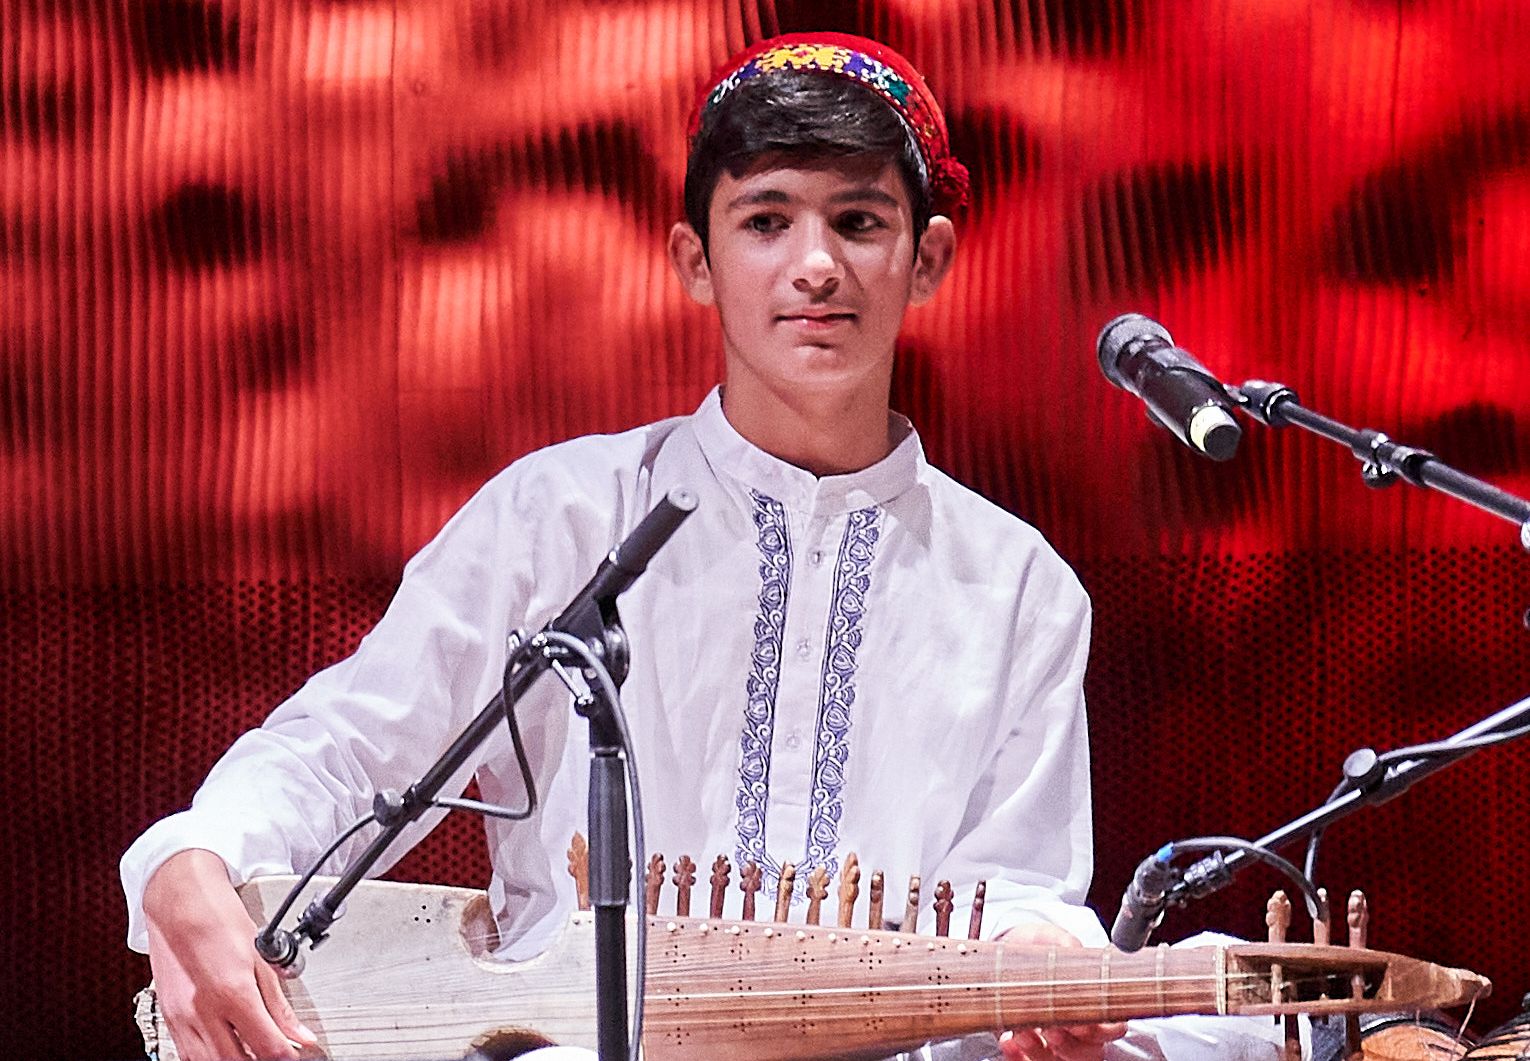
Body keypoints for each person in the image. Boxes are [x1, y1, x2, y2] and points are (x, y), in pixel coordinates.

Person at [123, 33, 1128, 1061]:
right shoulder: (560, 516)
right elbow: (348, 750)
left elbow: (1016, 888)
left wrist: (1043, 957)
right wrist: (190, 855)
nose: (816, 265)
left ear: (929, 259)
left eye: (859, 221)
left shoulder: (1017, 586)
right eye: (767, 220)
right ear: (696, 260)